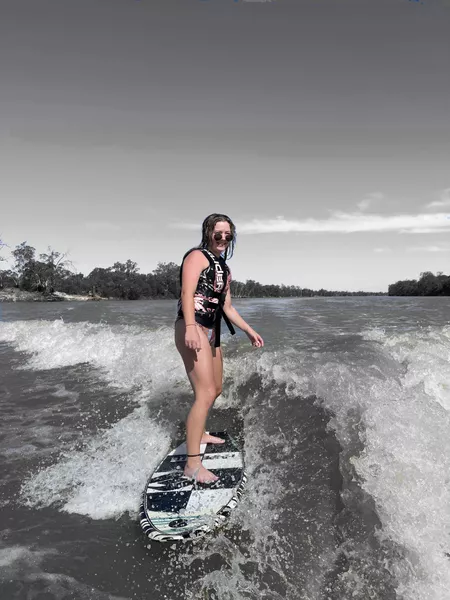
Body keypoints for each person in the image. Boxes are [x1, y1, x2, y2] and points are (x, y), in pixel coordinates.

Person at [175, 213, 264, 484]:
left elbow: (227, 307)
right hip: (192, 327)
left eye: (228, 235)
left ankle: (200, 434)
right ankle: (192, 465)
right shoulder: (197, 257)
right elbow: (187, 293)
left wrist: (249, 330)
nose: (223, 239)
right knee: (204, 393)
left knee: (215, 389)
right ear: (208, 234)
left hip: (211, 331)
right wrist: (191, 327)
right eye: (218, 234)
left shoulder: (224, 267)